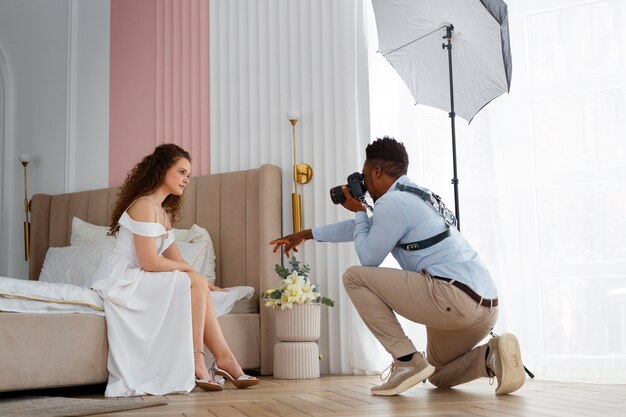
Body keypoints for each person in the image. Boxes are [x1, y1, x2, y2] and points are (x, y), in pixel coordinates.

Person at [270, 137, 525, 396]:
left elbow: (368, 258)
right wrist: (308, 233)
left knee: (355, 277)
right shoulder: (418, 196)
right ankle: (491, 357)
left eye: (366, 175)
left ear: (377, 171)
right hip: (483, 307)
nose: (365, 183)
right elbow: (370, 229)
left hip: (452, 297)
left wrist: (358, 210)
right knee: (436, 373)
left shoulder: (393, 203)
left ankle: (405, 361)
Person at [88, 144, 257, 397]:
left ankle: (223, 359)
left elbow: (176, 261)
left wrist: (202, 282)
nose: (186, 180)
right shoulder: (144, 205)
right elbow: (150, 262)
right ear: (162, 170)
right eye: (181, 172)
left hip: (140, 276)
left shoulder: (163, 214)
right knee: (193, 281)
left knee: (195, 283)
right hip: (122, 278)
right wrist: (191, 274)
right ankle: (203, 360)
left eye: (188, 175)